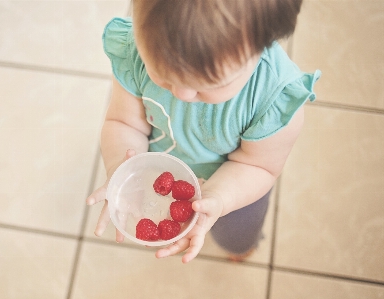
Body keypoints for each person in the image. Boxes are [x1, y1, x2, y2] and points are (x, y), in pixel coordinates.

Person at [86, 0, 320, 263]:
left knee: (236, 234)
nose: (182, 94)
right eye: (163, 74)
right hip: (163, 171)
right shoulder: (137, 51)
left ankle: (240, 248)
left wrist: (219, 198)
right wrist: (121, 168)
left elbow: (259, 166)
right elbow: (125, 123)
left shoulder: (273, 98)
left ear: (263, 44)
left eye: (206, 85)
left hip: (236, 186)